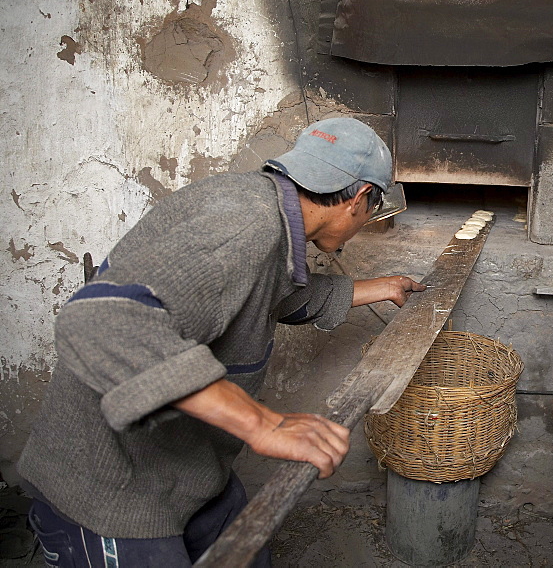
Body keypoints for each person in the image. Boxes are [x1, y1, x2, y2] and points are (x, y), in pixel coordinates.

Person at [16, 117, 426, 566]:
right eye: (374, 209)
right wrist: (264, 426)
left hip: (186, 469)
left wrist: (377, 288)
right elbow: (99, 322)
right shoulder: (244, 224)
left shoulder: (266, 212)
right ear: (360, 198)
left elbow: (265, 296)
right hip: (110, 490)